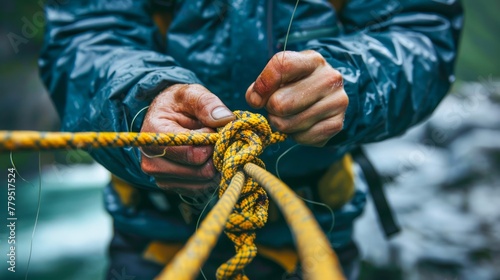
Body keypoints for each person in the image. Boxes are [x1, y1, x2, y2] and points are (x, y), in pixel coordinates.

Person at [39, 0, 463, 279]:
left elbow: (420, 28)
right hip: (151, 232)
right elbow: (85, 33)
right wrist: (142, 98)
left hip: (313, 229)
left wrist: (352, 81)